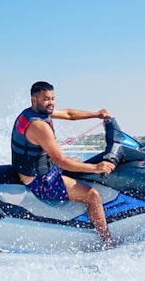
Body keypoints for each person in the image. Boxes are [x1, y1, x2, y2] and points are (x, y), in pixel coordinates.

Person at [11, 81, 116, 247]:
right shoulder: (38, 126)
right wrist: (97, 168)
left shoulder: (32, 113)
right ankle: (108, 242)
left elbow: (68, 114)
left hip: (41, 169)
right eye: (46, 99)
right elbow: (61, 161)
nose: (51, 102)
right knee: (93, 195)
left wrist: (97, 114)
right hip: (39, 180)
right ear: (34, 100)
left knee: (76, 162)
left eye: (53, 98)